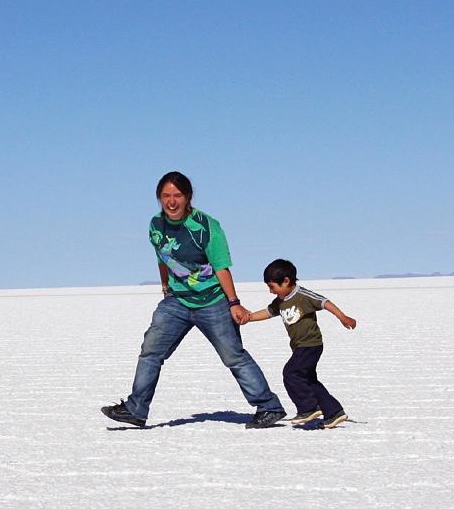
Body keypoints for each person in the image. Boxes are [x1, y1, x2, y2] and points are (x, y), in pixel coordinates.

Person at [101, 171, 286, 428]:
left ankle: (269, 407)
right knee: (150, 352)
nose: (172, 201)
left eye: (177, 195)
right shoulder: (156, 225)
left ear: (188, 197)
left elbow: (221, 267)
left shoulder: (207, 226)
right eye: (166, 196)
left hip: (213, 301)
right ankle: (136, 410)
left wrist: (233, 303)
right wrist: (166, 287)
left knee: (233, 356)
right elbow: (162, 256)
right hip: (177, 301)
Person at [245, 258, 357, 428]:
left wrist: (342, 317)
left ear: (286, 281)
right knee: (309, 380)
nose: (270, 291)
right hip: (299, 346)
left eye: (272, 287)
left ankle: (308, 408)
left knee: (291, 373)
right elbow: (268, 312)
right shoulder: (281, 300)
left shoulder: (303, 295)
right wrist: (249, 317)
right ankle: (334, 413)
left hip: (310, 345)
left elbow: (325, 302)